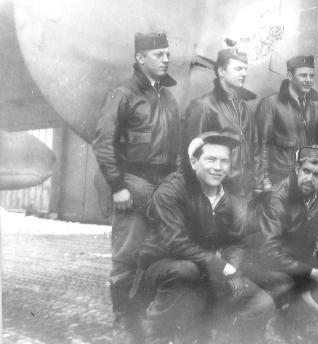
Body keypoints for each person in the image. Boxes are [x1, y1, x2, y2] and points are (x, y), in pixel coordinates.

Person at [136, 132, 275, 344]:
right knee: (184, 270)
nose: (218, 167)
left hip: (208, 271)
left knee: (262, 302)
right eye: (211, 159)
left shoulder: (232, 195)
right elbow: (176, 243)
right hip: (161, 270)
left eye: (224, 161)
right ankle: (159, 336)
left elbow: (237, 240)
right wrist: (222, 267)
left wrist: (233, 271)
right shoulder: (171, 190)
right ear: (194, 162)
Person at [92, 32, 180, 343]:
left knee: (155, 256)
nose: (166, 59)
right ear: (140, 58)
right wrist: (118, 185)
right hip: (132, 184)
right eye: (158, 54)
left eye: (167, 53)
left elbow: (177, 150)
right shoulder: (123, 93)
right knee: (127, 257)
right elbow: (103, 144)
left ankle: (142, 320)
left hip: (162, 188)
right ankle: (124, 324)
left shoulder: (168, 98)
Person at [243, 145, 318, 343]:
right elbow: (268, 253)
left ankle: (300, 317)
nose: (309, 178)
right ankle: (264, 325)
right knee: (285, 283)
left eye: (317, 175)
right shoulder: (278, 198)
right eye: (306, 171)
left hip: (296, 261)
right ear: (297, 169)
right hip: (261, 265)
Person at [184, 45, 259, 197]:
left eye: (245, 69)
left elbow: (255, 149)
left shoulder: (246, 109)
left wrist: (256, 183)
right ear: (221, 72)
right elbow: (191, 158)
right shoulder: (203, 106)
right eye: (238, 69)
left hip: (246, 193)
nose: (244, 73)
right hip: (218, 193)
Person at [255, 55, 318, 190]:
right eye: (303, 75)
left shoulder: (316, 105)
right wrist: (264, 182)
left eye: (312, 76)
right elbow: (262, 147)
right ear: (289, 75)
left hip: (306, 180)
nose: (309, 80)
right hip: (279, 180)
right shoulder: (271, 104)